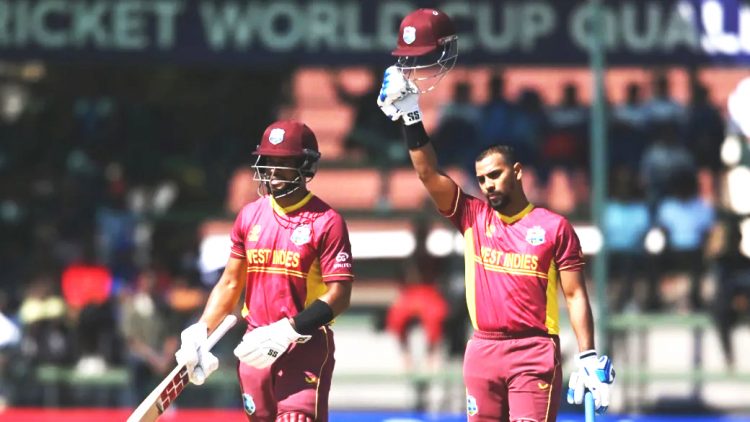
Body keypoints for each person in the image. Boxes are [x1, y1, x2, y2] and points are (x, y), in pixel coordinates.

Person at [376, 8, 615, 421]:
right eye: (482, 178)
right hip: (482, 349)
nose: (487, 184)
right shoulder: (471, 216)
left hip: (534, 351)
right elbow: (428, 172)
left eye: (496, 175)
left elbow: (575, 294)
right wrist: (411, 114)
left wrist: (589, 354)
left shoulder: (553, 227)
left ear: (517, 172)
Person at [174, 120, 354, 422]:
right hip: (255, 346)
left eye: (283, 162)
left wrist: (290, 329)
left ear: (304, 165)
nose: (272, 170)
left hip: (304, 345)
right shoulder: (249, 215)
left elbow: (340, 294)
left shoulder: (327, 221)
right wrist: (200, 331)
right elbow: (231, 282)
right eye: (268, 161)